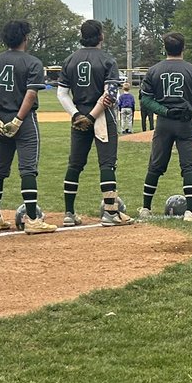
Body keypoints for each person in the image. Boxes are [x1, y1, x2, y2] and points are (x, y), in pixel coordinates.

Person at [0, 20, 57, 233]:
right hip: (23, 121)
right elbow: (30, 94)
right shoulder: (32, 62)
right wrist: (18, 120)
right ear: (25, 38)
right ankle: (32, 219)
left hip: (0, 119)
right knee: (28, 169)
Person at [57, 19, 133, 227]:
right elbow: (109, 94)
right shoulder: (108, 60)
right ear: (101, 36)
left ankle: (69, 213)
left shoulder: (70, 60)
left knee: (75, 164)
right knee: (107, 164)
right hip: (101, 116)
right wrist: (91, 117)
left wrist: (76, 115)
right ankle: (110, 212)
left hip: (78, 115)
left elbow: (62, 93)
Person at [138, 32, 192, 221]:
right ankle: (190, 211)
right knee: (189, 167)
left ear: (164, 48)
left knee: (155, 165)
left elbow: (146, 100)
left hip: (164, 123)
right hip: (185, 122)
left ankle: (145, 208)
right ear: (184, 48)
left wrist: (165, 111)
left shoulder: (154, 70)